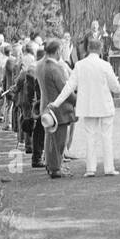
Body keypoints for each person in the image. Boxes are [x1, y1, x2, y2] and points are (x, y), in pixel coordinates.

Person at [48, 39, 120, 176]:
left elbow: (69, 86)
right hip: (104, 104)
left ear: (88, 48)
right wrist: (117, 83)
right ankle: (109, 168)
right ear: (100, 49)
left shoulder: (80, 65)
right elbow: (116, 88)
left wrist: (56, 103)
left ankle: (90, 168)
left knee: (90, 137)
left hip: (88, 106)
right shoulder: (105, 65)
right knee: (107, 136)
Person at [36, 39, 75, 178]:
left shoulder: (40, 65)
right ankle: (55, 168)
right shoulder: (54, 68)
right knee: (59, 141)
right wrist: (78, 101)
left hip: (46, 106)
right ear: (58, 51)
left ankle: (51, 165)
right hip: (58, 110)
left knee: (50, 139)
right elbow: (65, 91)